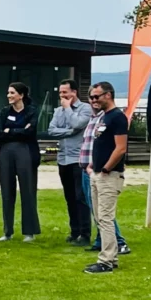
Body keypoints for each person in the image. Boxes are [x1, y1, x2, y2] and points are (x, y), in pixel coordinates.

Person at [79, 87, 130, 255]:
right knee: (99, 217)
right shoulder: (104, 117)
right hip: (95, 173)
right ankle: (109, 256)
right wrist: (93, 165)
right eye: (91, 98)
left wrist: (106, 168)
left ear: (108, 95)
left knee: (106, 218)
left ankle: (107, 258)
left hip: (109, 175)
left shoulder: (117, 117)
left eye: (96, 97)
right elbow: (101, 145)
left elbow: (120, 148)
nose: (93, 100)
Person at [0, 82, 41, 242]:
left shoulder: (31, 111)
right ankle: (7, 231)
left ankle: (29, 231)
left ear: (21, 95)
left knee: (27, 190)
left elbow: (30, 132)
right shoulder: (4, 111)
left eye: (12, 93)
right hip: (5, 153)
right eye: (8, 92)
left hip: (25, 152)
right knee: (7, 192)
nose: (9, 96)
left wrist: (10, 131)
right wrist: (18, 131)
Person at [48, 79, 93, 247]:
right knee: (69, 197)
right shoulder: (58, 111)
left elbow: (78, 123)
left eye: (65, 93)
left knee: (81, 197)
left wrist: (68, 109)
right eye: (60, 93)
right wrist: (70, 132)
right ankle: (74, 231)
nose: (62, 96)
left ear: (74, 92)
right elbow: (51, 130)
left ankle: (85, 233)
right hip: (63, 159)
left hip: (78, 160)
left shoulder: (85, 109)